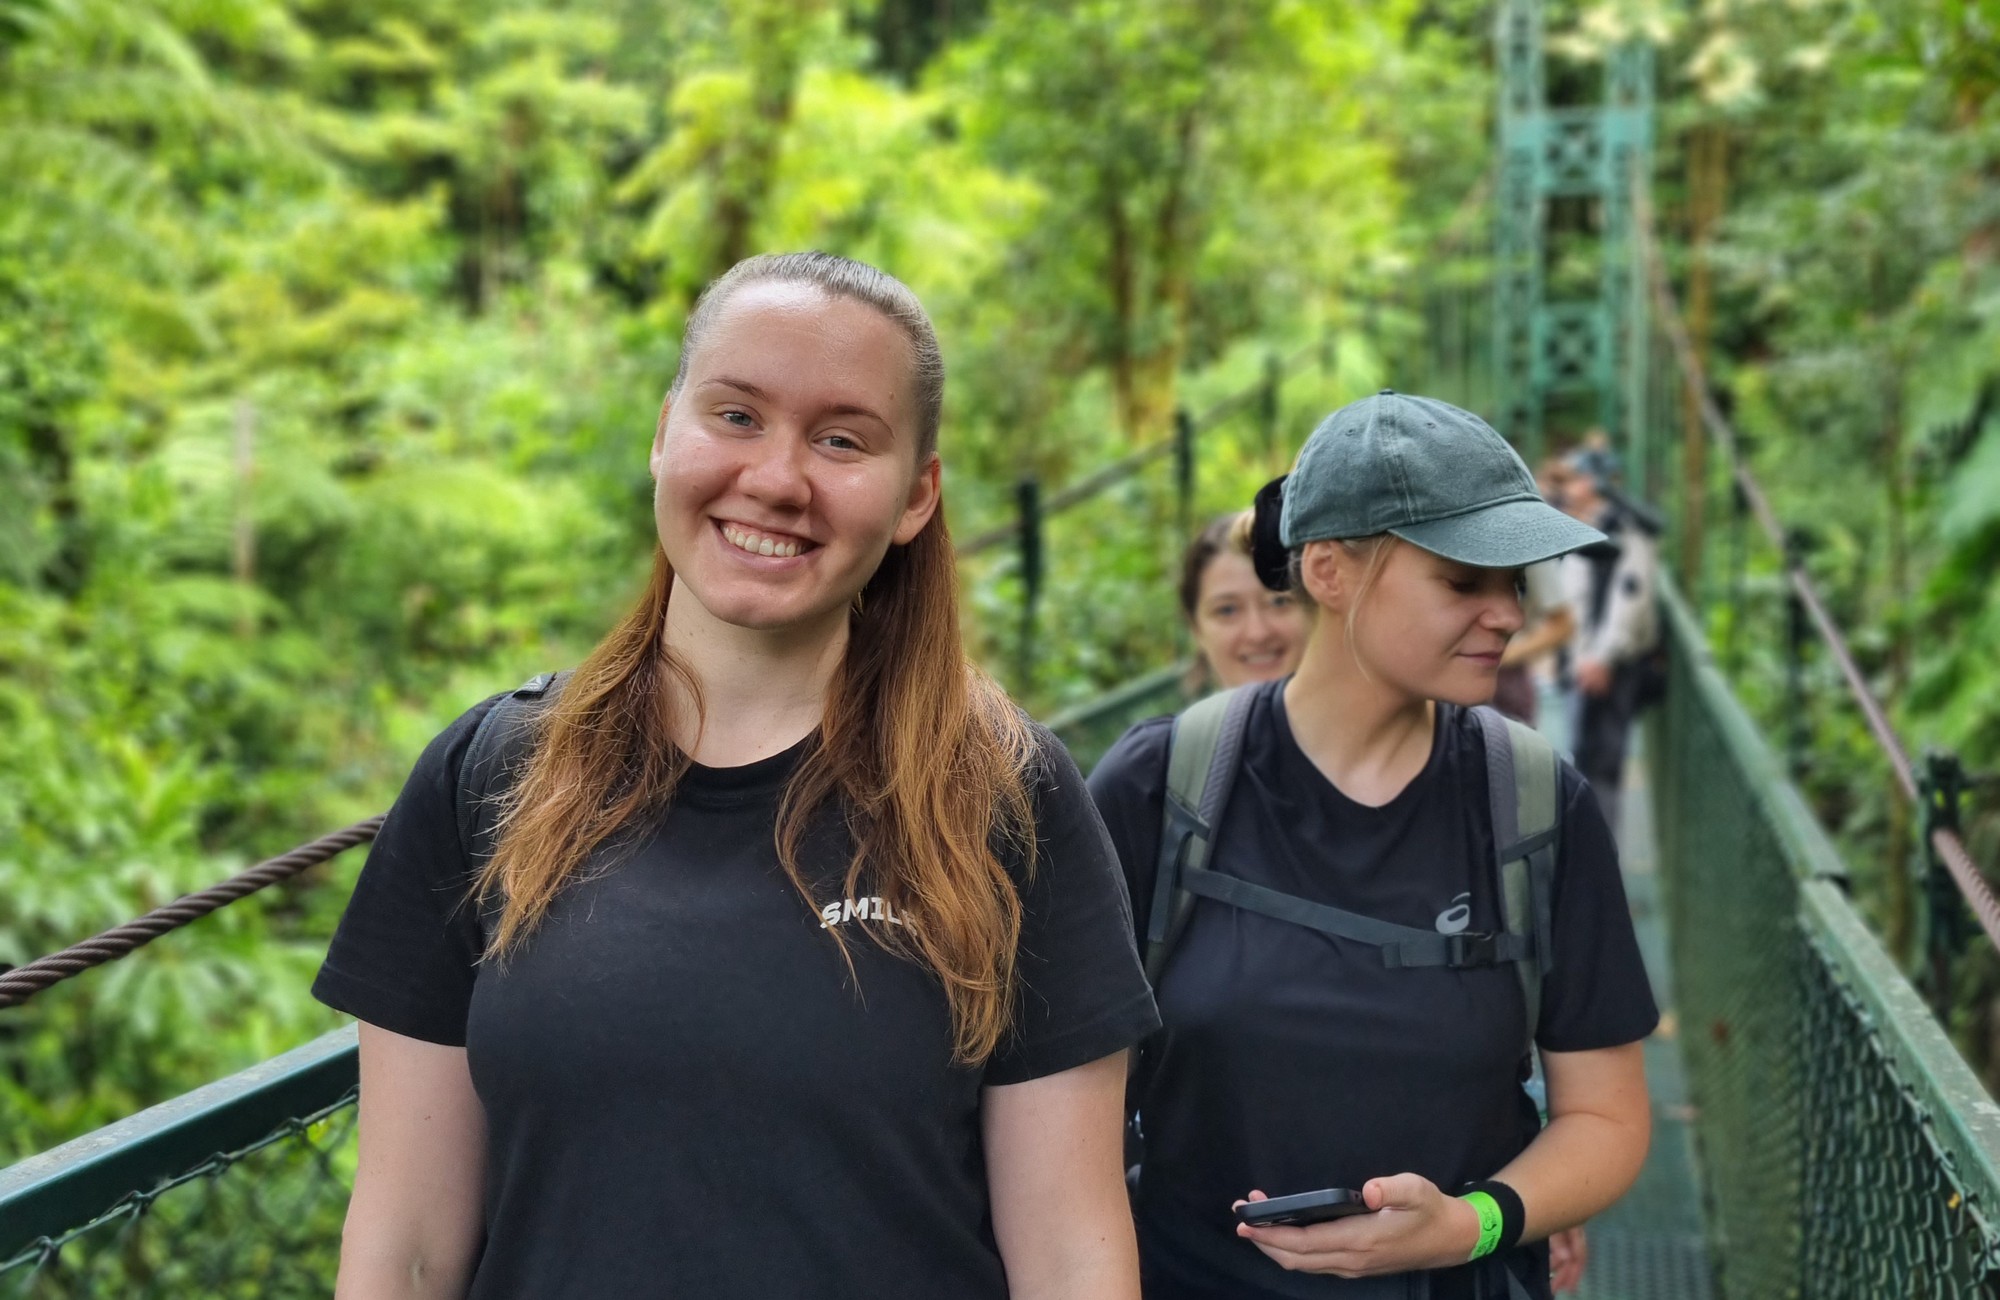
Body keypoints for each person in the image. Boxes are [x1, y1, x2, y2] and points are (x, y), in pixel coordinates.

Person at [312, 252, 1161, 1300]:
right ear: (666, 431)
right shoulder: (490, 778)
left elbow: (1073, 1257)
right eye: (737, 416)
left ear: (915, 496)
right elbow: (403, 1245)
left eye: (842, 439)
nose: (775, 478)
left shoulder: (1001, 797)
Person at [1089, 391, 1657, 1300]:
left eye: (1514, 584)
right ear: (1327, 571)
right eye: (1464, 581)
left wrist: (1473, 1223)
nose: (1508, 615)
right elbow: (1046, 1097)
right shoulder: (1162, 786)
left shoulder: (1538, 803)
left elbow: (1606, 1116)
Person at [1551, 445, 1660, 835]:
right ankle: (1581, 841)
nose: (1572, 486)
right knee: (1580, 755)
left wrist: (1603, 657)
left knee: (1607, 761)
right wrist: (1579, 656)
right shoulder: (1583, 521)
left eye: (1579, 478)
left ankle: (1603, 853)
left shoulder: (1628, 527)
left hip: (1613, 664)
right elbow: (1574, 596)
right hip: (1581, 661)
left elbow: (1630, 598)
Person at [1180, 514, 1311, 692]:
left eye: (1279, 601)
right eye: (1227, 610)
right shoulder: (1187, 721)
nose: (1258, 633)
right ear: (1196, 628)